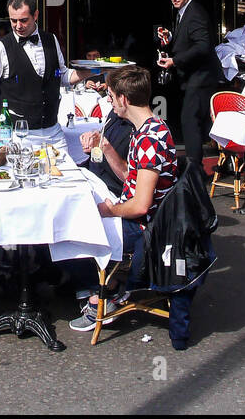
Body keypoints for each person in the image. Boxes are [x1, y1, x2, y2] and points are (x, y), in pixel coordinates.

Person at [67, 65, 179, 331]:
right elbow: (134, 176)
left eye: (112, 97)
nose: (110, 101)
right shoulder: (151, 128)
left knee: (75, 228)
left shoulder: (149, 138)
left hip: (145, 227)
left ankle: (107, 292)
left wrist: (108, 210)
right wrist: (106, 149)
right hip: (149, 217)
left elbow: (140, 205)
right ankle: (107, 285)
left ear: (123, 99)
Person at [0, 0, 94, 150]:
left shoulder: (51, 39)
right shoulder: (0, 47)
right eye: (13, 20)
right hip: (16, 135)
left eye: (23, 20)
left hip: (53, 133)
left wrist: (94, 70)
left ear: (35, 15)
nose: (18, 26)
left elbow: (63, 76)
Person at [156, 0, 223, 170]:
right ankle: (202, 165)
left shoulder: (196, 13)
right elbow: (189, 39)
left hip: (201, 77)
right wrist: (170, 39)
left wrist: (175, 60)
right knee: (198, 121)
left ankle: (194, 169)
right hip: (194, 77)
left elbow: (203, 46)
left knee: (190, 120)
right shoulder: (183, 11)